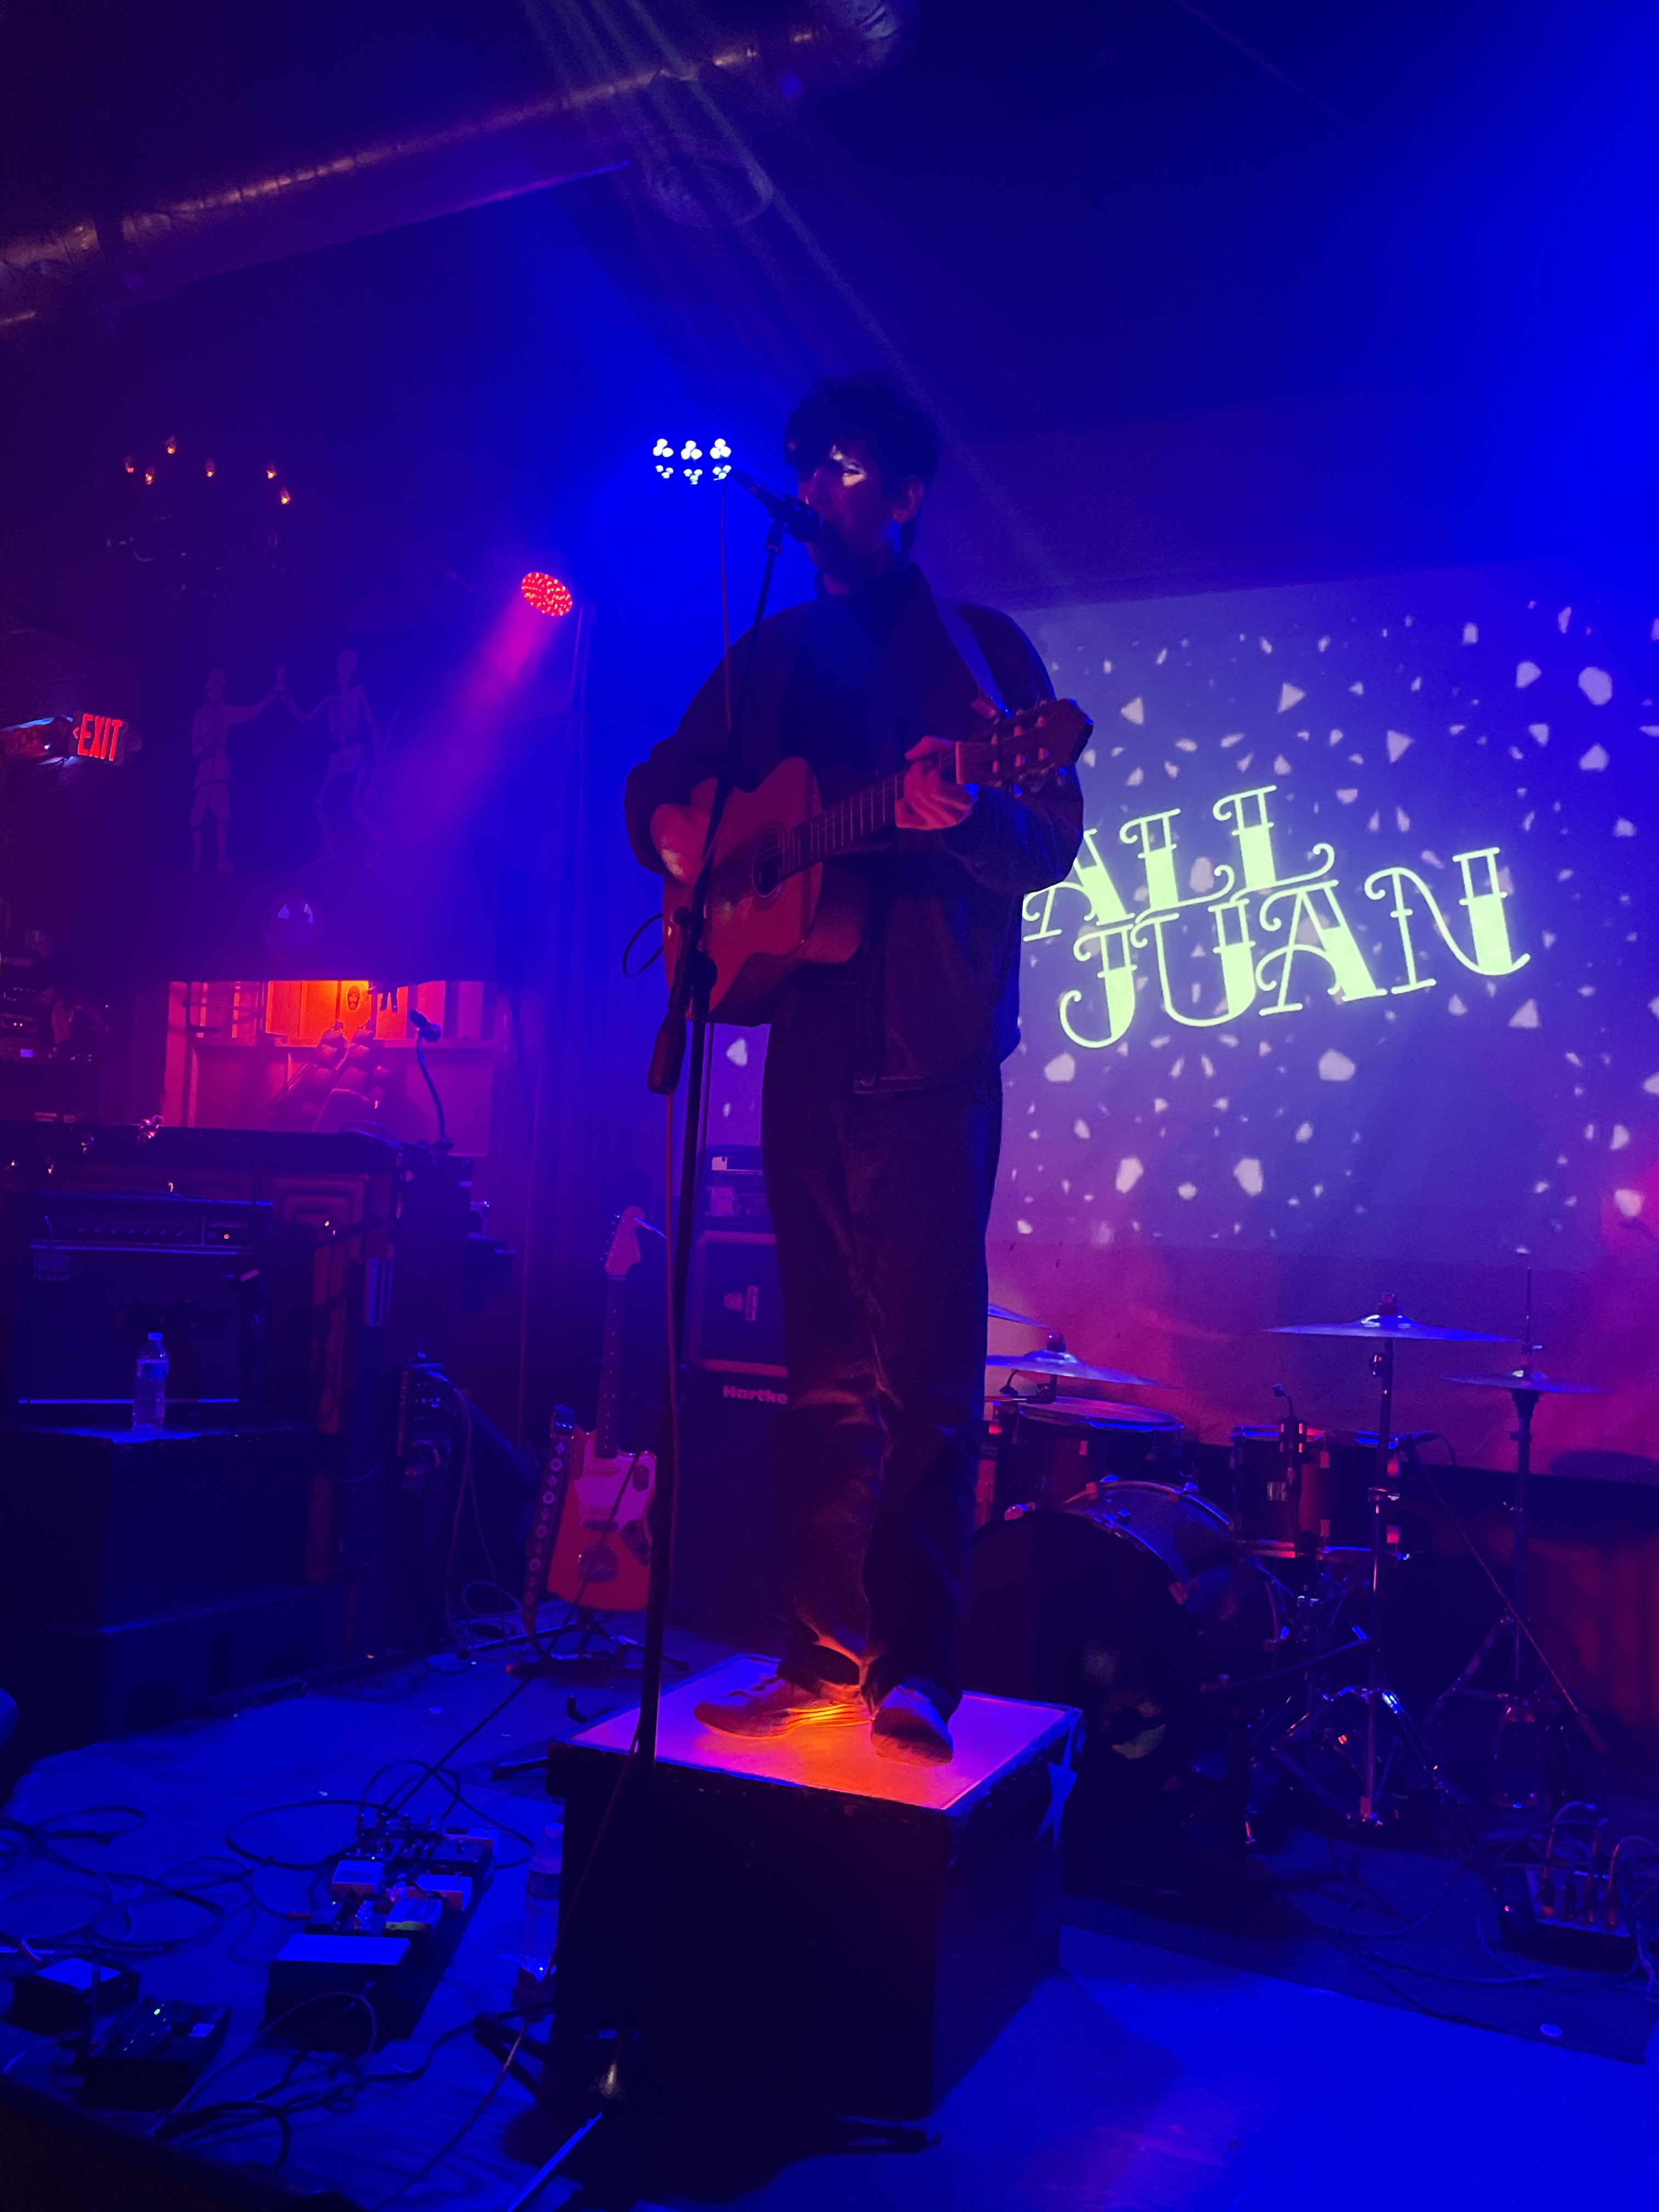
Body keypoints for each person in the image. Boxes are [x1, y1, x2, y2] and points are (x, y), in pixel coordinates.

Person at [624, 375, 1084, 1764]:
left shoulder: (980, 653)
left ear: (905, 492)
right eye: (803, 467)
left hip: (935, 1052)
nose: (815, 486)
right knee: (818, 1373)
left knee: (929, 1382)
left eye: (841, 466)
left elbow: (1049, 837)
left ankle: (917, 1671)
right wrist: (688, 843)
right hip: (807, 1053)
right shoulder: (768, 656)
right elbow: (654, 788)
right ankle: (814, 1650)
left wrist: (964, 813)